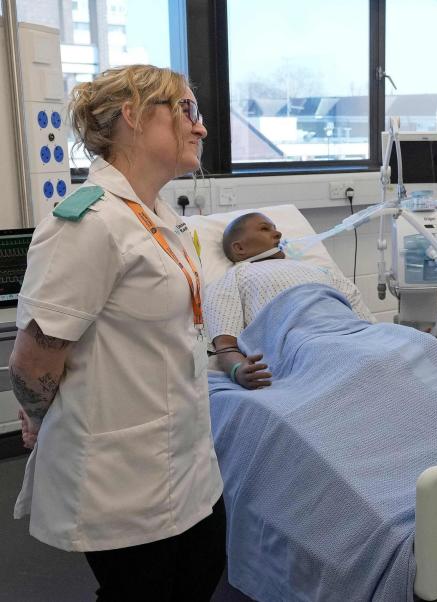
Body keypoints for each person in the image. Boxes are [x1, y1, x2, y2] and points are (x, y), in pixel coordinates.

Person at [9, 65, 226, 601]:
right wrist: (40, 417)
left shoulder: (154, 217)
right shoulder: (86, 224)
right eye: (186, 110)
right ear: (131, 115)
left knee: (199, 576)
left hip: (187, 460)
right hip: (123, 479)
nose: (200, 128)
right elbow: (33, 362)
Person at [205, 212, 374, 389]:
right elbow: (225, 345)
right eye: (264, 229)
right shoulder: (233, 278)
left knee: (403, 340)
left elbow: (367, 326)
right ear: (239, 248)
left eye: (276, 229)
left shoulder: (321, 271)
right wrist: (238, 369)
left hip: (354, 337)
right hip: (303, 344)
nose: (278, 234)